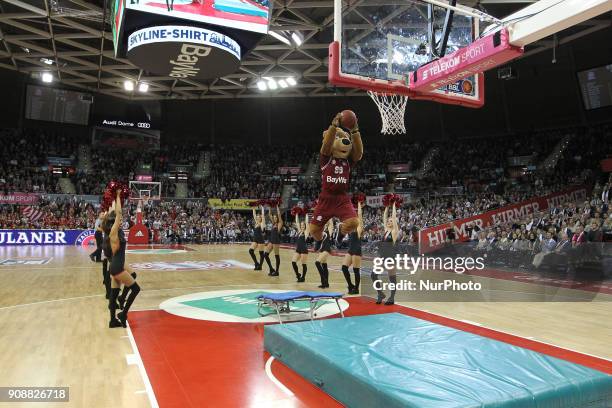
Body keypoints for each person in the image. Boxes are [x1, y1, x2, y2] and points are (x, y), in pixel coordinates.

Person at [104, 190, 141, 328]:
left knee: (114, 294)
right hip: (118, 268)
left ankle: (112, 320)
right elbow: (118, 213)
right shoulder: (113, 232)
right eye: (118, 221)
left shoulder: (115, 232)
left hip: (114, 266)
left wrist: (114, 199)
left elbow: (114, 212)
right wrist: (118, 196)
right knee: (136, 289)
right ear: (114, 222)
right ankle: (123, 314)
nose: (120, 222)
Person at [372, 202, 400, 305]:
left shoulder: (394, 232)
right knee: (373, 275)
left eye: (391, 221)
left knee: (392, 278)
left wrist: (393, 204)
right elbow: (384, 217)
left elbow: (393, 216)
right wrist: (387, 206)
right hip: (383, 257)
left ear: (395, 223)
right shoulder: (386, 230)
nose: (388, 222)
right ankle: (380, 293)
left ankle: (392, 298)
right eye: (388, 221)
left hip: (391, 258)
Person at [341, 201, 363, 294]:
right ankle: (350, 285)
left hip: (357, 250)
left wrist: (358, 203)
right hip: (350, 250)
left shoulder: (359, 227)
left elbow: (360, 216)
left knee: (355, 270)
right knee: (344, 268)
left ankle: (356, 288)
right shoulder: (350, 228)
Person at [264, 205, 283, 276]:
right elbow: (269, 215)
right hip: (271, 240)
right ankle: (271, 268)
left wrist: (277, 206)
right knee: (265, 255)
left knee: (276, 256)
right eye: (274, 217)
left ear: (278, 218)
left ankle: (277, 271)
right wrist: (269, 206)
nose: (274, 218)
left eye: (276, 217)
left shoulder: (280, 223)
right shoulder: (273, 223)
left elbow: (279, 215)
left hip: (276, 241)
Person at [315, 219, 334, 288]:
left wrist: (329, 214)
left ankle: (324, 280)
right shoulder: (321, 230)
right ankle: (325, 284)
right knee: (324, 265)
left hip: (326, 249)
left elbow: (331, 223)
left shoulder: (329, 230)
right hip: (321, 249)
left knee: (317, 262)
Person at [292, 211, 310, 282]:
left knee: (303, 264)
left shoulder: (306, 232)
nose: (302, 226)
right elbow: (297, 222)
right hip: (298, 249)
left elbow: (307, 223)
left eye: (303, 225)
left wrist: (306, 214)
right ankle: (298, 274)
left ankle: (303, 277)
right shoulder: (299, 231)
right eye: (301, 225)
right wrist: (296, 213)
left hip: (304, 249)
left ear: (305, 226)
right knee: (293, 262)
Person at [248, 205, 265, 270]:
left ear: (260, 218)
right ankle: (256, 263)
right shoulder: (256, 223)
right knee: (250, 251)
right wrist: (253, 207)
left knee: (261, 253)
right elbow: (254, 214)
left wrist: (262, 208)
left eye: (259, 217)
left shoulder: (261, 224)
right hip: (255, 239)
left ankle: (260, 266)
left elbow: (263, 216)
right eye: (257, 217)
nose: (257, 218)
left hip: (260, 239)